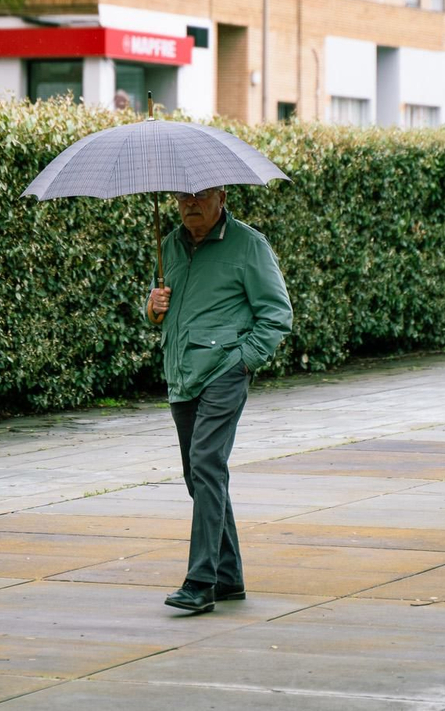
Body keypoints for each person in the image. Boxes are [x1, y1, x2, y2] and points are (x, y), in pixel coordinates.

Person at [147, 186, 291, 614]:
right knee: (199, 474)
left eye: (201, 195)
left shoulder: (248, 244)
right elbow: (162, 310)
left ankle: (201, 581)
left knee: (206, 463)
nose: (191, 203)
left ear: (222, 196)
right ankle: (229, 576)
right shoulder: (170, 243)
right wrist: (152, 307)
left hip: (224, 370)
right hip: (181, 372)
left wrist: (244, 362)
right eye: (182, 197)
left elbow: (277, 313)